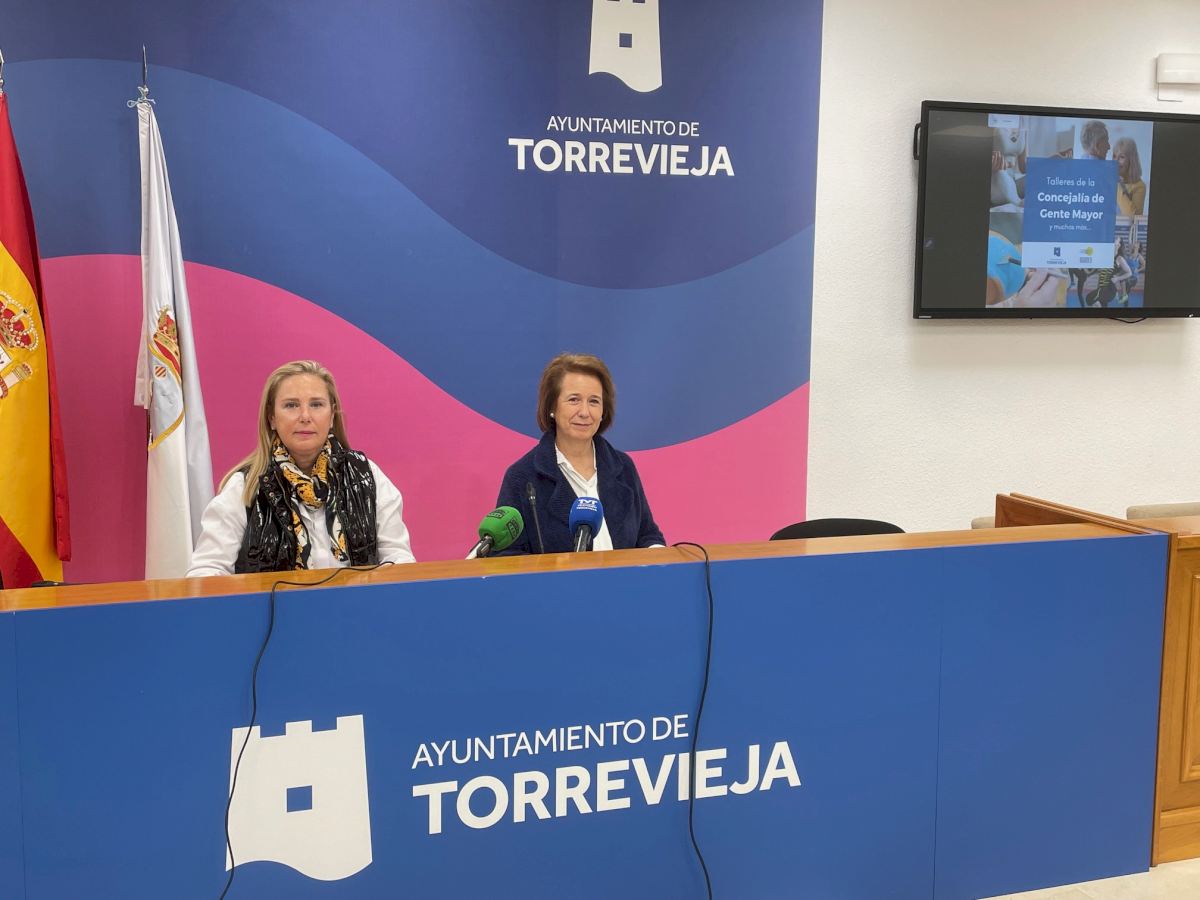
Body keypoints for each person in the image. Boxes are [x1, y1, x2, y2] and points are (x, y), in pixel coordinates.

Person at [187, 360, 415, 576]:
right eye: (291, 405)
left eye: (316, 404)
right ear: (272, 418)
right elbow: (206, 571)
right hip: (274, 606)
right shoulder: (245, 487)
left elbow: (399, 559)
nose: (305, 416)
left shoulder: (366, 476)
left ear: (332, 415)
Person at [495, 353, 664, 553]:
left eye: (594, 401)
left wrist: (658, 554)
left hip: (627, 575)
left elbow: (647, 534)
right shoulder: (523, 477)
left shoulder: (623, 466)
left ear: (603, 411)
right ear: (552, 407)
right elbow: (507, 554)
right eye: (574, 400)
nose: (585, 412)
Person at [1114, 137, 1146, 216]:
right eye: (1114, 156)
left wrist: (1116, 185)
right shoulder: (1107, 180)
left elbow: (1133, 216)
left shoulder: (1139, 186)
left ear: (1131, 160)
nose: (1116, 161)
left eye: (1121, 157)